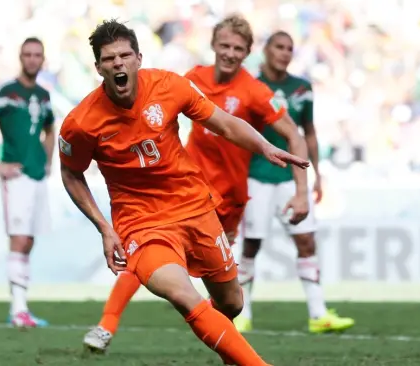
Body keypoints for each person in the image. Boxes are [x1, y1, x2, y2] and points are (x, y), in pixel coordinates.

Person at [60, 19, 308, 365]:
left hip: (196, 207)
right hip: (142, 223)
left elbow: (223, 122)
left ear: (138, 58)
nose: (118, 63)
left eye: (124, 55)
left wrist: (264, 147)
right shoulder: (81, 123)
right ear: (98, 67)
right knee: (184, 294)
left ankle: (229, 350)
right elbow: (71, 174)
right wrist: (105, 227)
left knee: (232, 303)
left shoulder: (170, 86)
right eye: (109, 58)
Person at [233, 31, 355, 334]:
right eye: (279, 46)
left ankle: (318, 314)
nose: (285, 53)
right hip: (256, 176)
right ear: (265, 50)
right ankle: (242, 313)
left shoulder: (302, 88)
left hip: (292, 176)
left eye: (290, 48)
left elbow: (308, 133)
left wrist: (318, 174)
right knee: (251, 245)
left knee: (306, 241)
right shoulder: (249, 86)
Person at [0, 37, 54, 328]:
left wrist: (48, 159)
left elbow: (51, 127)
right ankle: (18, 309)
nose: (32, 59)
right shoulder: (6, 90)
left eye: (37, 55)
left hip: (37, 175)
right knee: (19, 238)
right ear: (20, 57)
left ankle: (21, 308)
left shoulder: (44, 95)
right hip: (16, 176)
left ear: (43, 60)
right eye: (27, 54)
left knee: (28, 239)